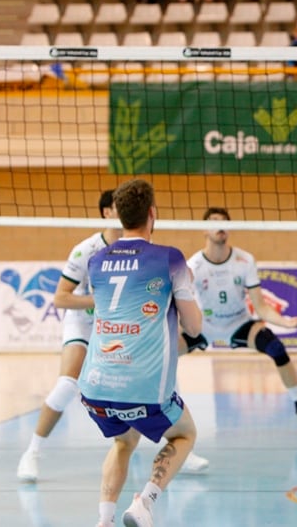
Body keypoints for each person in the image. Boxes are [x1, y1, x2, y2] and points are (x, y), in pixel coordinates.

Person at [17, 191, 209, 483]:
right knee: (68, 382)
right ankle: (32, 452)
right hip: (85, 323)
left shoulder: (147, 250)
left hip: (123, 326)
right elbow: (60, 298)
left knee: (165, 370)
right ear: (107, 213)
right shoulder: (87, 251)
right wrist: (101, 301)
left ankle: (176, 440)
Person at [78, 179, 203, 527]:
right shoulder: (170, 259)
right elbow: (194, 328)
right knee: (185, 433)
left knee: (123, 441)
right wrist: (185, 289)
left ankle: (104, 520)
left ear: (118, 215)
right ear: (152, 213)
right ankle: (145, 503)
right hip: (143, 387)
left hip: (93, 387)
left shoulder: (96, 260)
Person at [185, 208, 297, 436]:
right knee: (164, 354)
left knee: (276, 348)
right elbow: (183, 304)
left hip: (239, 323)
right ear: (203, 230)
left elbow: (261, 307)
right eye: (215, 221)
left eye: (225, 221)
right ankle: (149, 411)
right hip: (205, 325)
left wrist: (286, 323)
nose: (221, 226)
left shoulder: (244, 260)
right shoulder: (194, 265)